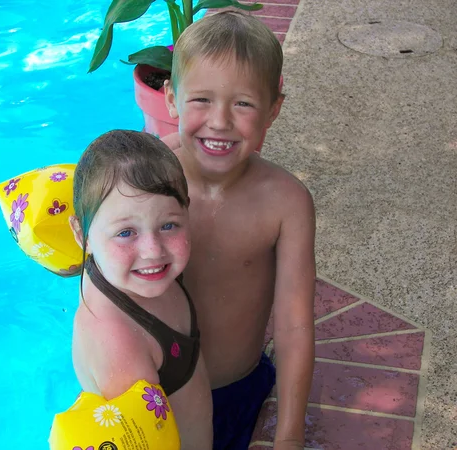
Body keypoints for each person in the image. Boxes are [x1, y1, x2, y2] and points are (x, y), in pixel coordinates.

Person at [161, 11, 316, 450]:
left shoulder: (286, 202)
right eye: (201, 100)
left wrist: (289, 434)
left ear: (273, 110)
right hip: (151, 393)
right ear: (172, 99)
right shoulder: (145, 177)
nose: (220, 121)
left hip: (235, 390)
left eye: (243, 103)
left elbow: (293, 326)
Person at [68, 130, 213, 449]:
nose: (152, 250)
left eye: (168, 225)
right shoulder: (117, 345)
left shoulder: (125, 269)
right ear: (83, 236)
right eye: (126, 232)